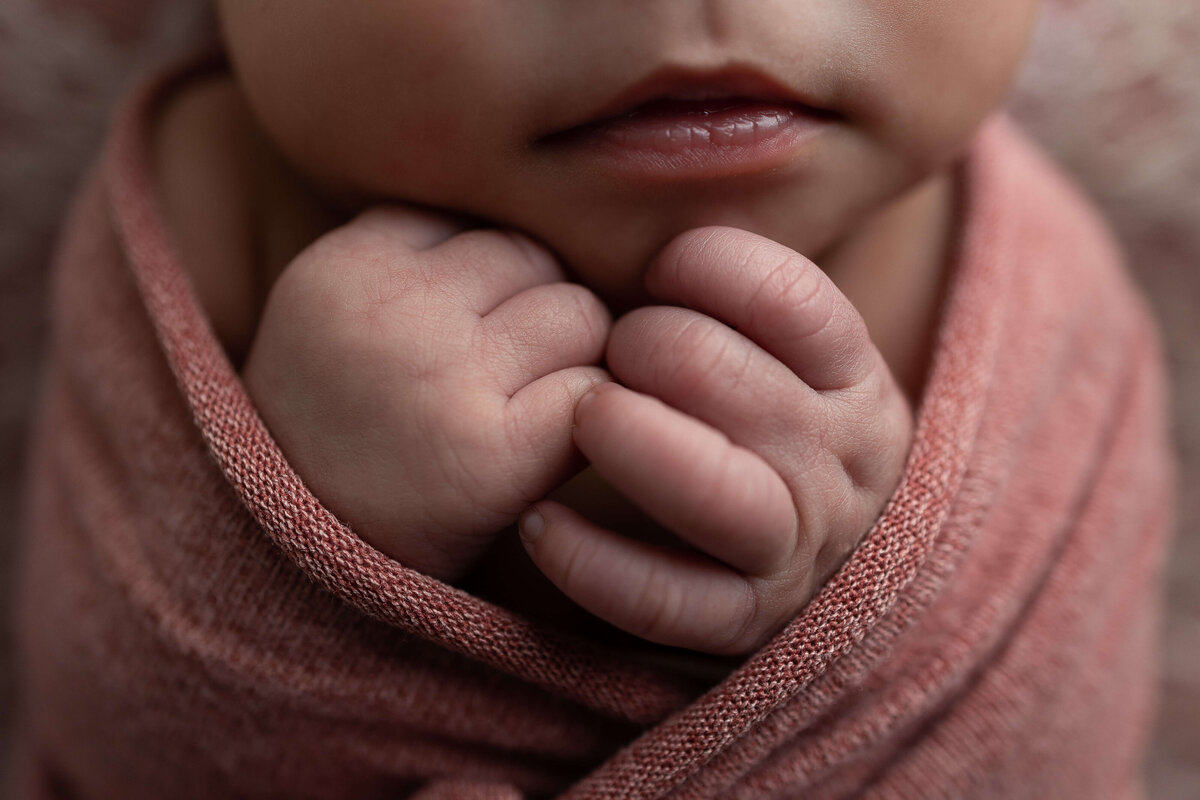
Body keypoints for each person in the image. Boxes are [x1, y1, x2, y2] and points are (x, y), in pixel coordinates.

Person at [14, 2, 1173, 797]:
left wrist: (867, 606)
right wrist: (295, 534)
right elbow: (114, 717)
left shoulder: (1030, 277)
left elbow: (1049, 734)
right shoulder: (221, 209)